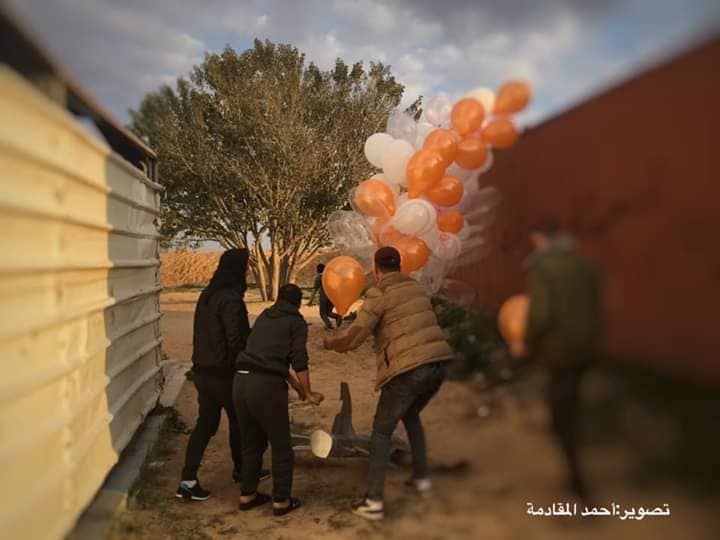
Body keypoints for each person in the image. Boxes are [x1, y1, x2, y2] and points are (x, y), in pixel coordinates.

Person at [324, 247, 454, 521]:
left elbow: (357, 333)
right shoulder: (416, 288)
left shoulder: (379, 293)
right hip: (438, 364)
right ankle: (421, 479)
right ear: (399, 265)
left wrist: (333, 343)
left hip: (408, 370)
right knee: (411, 416)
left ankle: (373, 501)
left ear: (376, 267)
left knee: (381, 434)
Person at [512, 218, 603, 502]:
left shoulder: (543, 267)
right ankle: (577, 466)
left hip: (559, 350)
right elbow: (594, 306)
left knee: (559, 414)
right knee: (572, 404)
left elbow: (542, 314)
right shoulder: (583, 264)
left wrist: (523, 342)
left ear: (539, 238)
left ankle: (577, 481)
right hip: (586, 347)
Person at [176, 249, 269, 501]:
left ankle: (187, 479)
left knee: (205, 425)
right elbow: (236, 339)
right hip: (224, 374)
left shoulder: (207, 294)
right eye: (247, 266)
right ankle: (245, 473)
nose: (249, 270)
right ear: (237, 269)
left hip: (202, 372)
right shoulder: (230, 299)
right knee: (242, 423)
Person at [233, 284, 324, 516]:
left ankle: (248, 495)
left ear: (278, 299)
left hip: (241, 382)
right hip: (266, 388)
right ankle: (281, 501)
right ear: (297, 303)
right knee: (282, 446)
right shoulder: (296, 322)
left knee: (251, 443)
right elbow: (298, 360)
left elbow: (271, 361)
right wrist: (309, 392)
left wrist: (302, 392)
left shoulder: (265, 316)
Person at [308, 263, 342, 330]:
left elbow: (315, 290)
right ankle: (337, 316)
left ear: (317, 270)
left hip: (324, 298)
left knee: (322, 313)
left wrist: (310, 301)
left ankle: (329, 325)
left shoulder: (318, 278)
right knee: (328, 312)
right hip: (332, 297)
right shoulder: (331, 276)